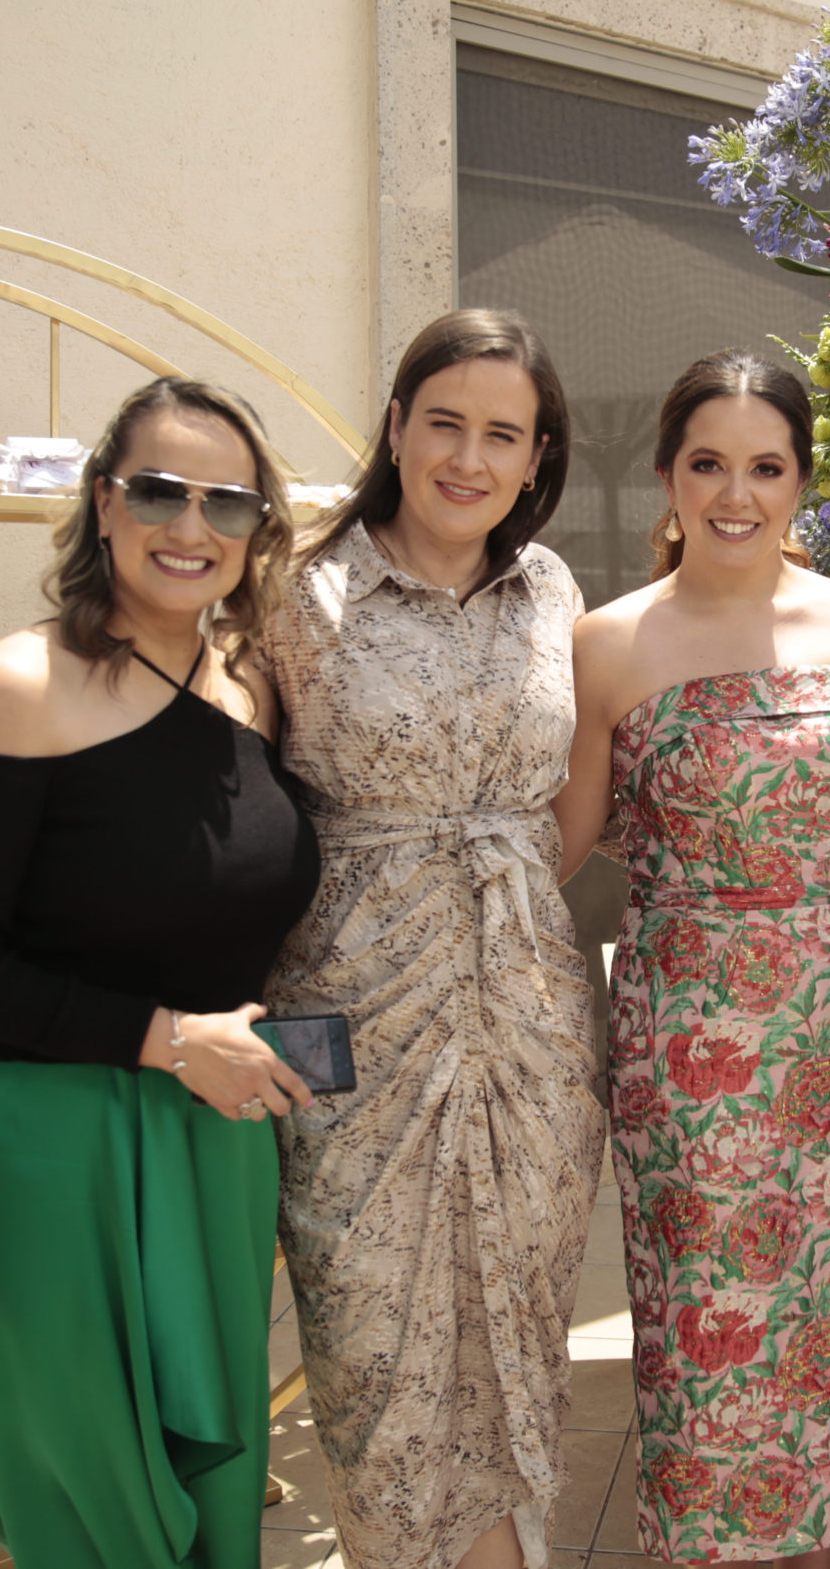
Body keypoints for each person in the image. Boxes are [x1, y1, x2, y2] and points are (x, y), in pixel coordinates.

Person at [0, 376, 321, 1569]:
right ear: (103, 505)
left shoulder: (251, 684)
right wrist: (167, 1041)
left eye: (229, 505)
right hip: (55, 1145)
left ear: (258, 533)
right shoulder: (12, 688)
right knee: (95, 1493)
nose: (191, 529)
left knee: (217, 1481)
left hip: (216, 1143)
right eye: (158, 492)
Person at [555, 350, 830, 1568]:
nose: (735, 493)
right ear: (666, 475)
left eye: (766, 466)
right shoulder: (606, 644)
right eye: (707, 462)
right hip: (691, 1059)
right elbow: (553, 851)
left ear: (802, 483)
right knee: (705, 1374)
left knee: (816, 1369)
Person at [262, 309, 605, 1569]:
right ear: (398, 427)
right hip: (349, 1028)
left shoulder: (552, 589)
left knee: (516, 1339)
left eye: (500, 435)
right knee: (375, 1355)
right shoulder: (292, 586)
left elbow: (568, 801)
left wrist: (492, 895)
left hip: (527, 1032)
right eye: (444, 422)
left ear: (536, 456)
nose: (468, 457)